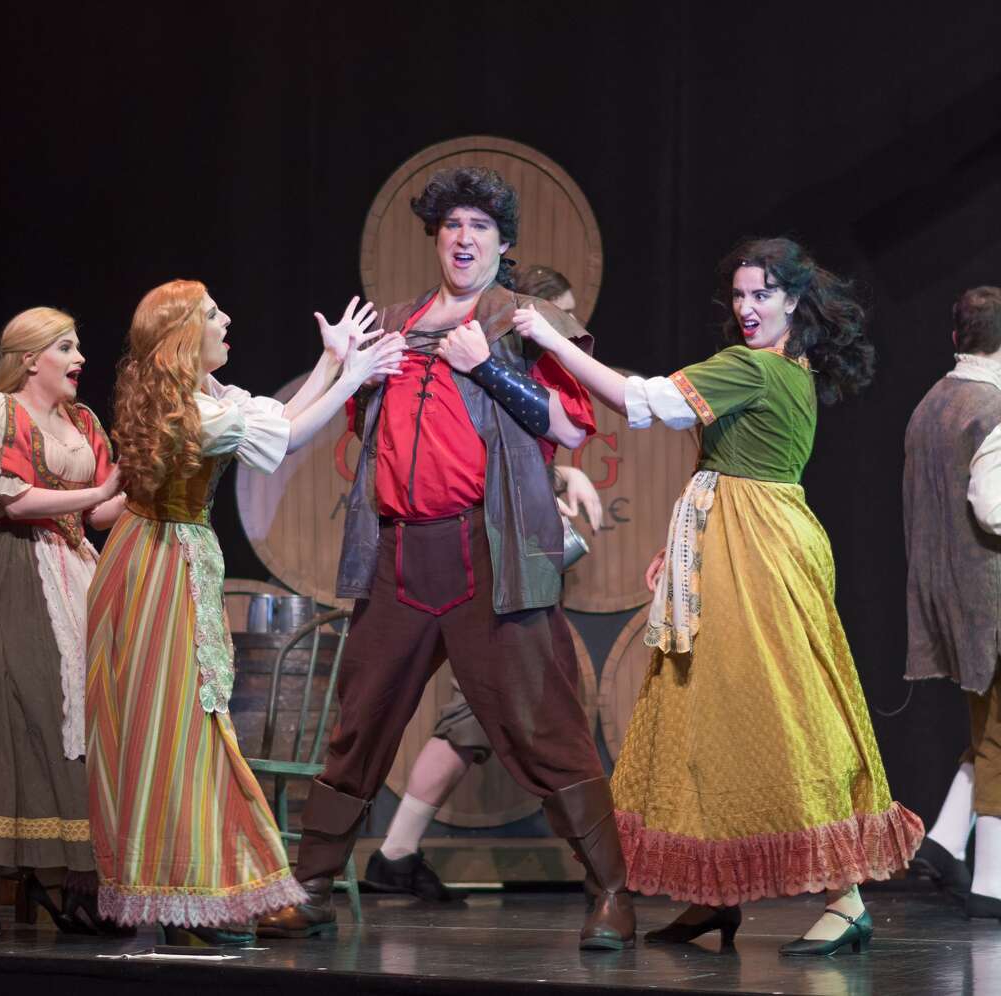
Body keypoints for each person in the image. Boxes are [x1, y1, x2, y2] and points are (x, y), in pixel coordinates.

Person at [258, 167, 636, 952]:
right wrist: (344, 365)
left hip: (488, 554)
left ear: (503, 243)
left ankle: (610, 893)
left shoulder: (521, 320)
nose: (464, 239)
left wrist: (485, 365)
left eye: (480, 227)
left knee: (541, 722)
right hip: (400, 552)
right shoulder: (396, 323)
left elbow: (570, 428)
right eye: (452, 225)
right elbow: (363, 424)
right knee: (361, 720)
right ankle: (312, 887)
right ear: (436, 238)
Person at [512, 236, 923, 955]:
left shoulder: (754, 367)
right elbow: (721, 470)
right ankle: (715, 894)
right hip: (747, 534)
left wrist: (550, 338)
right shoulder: (788, 366)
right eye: (739, 295)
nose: (747, 307)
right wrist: (680, 549)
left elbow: (640, 401)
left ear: (793, 300)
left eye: (762, 293)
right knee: (704, 711)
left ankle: (845, 895)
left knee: (777, 709)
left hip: (752, 548)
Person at [86, 280, 404, 945]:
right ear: (183, 336)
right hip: (160, 565)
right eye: (211, 314)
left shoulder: (201, 396)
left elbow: (276, 421)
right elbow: (286, 440)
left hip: (156, 554)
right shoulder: (191, 411)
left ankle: (195, 893)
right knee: (180, 724)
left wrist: (331, 361)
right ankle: (194, 893)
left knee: (178, 723)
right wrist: (351, 376)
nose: (226, 320)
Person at [363, 264, 604, 902]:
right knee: (501, 714)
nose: (567, 329)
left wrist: (560, 477)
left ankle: (398, 852)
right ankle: (396, 852)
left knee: (507, 715)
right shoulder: (480, 347)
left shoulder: (519, 361)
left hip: (507, 554)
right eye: (559, 315)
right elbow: (475, 446)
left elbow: (537, 436)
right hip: (476, 553)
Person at [0, 306, 125, 937]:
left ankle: (67, 880)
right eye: (66, 347)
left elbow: (100, 515)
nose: (79, 358)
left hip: (78, 569)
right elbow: (9, 497)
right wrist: (98, 494)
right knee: (25, 717)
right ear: (31, 358)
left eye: (78, 346)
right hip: (19, 570)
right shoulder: (2, 412)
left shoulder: (84, 421)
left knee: (81, 720)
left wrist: (148, 481)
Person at [904, 286, 1001, 919]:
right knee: (1000, 737)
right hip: (990, 596)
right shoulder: (993, 408)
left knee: (988, 728)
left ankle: (942, 840)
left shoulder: (930, 404)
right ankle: (992, 883)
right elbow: (992, 508)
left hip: (948, 593)